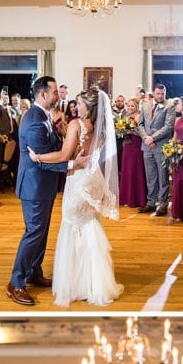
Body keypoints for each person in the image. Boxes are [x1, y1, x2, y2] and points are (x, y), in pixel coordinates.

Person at [28, 88, 122, 307]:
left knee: (72, 226)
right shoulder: (101, 127)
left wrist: (38, 157)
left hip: (78, 181)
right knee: (89, 224)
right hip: (93, 179)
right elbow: (83, 149)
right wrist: (64, 134)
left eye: (79, 104)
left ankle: (76, 284)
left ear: (88, 107)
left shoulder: (76, 125)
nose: (74, 107)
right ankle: (94, 282)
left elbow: (64, 155)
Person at [6, 76, 78, 307]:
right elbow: (40, 161)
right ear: (43, 94)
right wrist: (71, 165)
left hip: (43, 185)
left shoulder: (43, 115)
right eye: (55, 92)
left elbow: (51, 148)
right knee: (34, 231)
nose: (58, 96)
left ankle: (34, 272)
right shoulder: (34, 120)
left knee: (42, 231)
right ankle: (16, 283)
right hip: (34, 186)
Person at [137, 84, 177, 217]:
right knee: (151, 176)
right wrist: (145, 138)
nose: (160, 96)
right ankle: (151, 202)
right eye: (158, 93)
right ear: (153, 93)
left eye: (163, 94)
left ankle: (163, 204)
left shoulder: (169, 106)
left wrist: (152, 138)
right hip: (147, 146)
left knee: (163, 176)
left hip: (161, 146)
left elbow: (168, 127)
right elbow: (140, 124)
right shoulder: (146, 105)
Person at [119, 98, 147, 208]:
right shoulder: (125, 117)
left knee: (136, 170)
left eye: (132, 106)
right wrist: (122, 131)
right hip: (127, 145)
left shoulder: (140, 117)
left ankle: (137, 199)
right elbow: (122, 130)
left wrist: (132, 131)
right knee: (127, 170)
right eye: (129, 106)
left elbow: (142, 133)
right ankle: (126, 198)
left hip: (137, 145)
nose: (130, 108)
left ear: (137, 107)